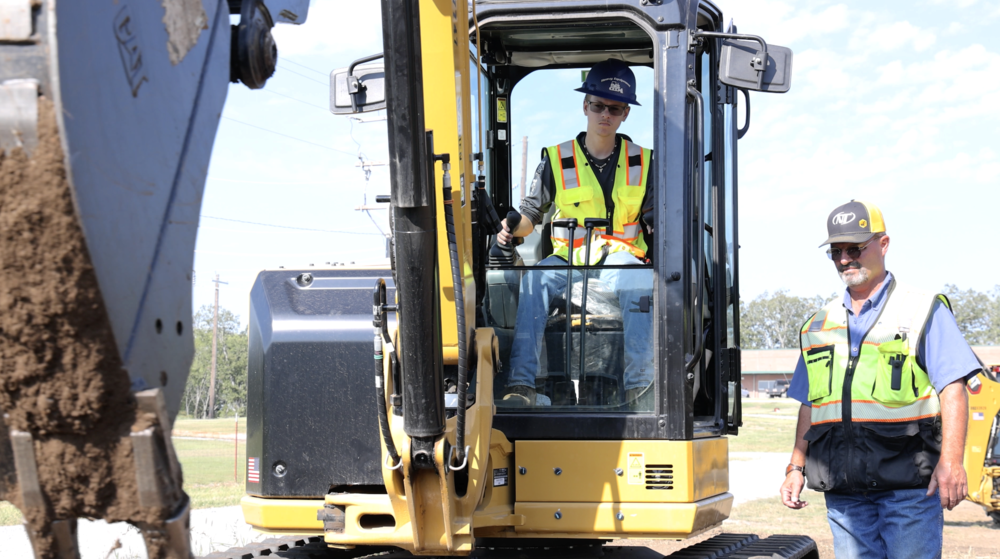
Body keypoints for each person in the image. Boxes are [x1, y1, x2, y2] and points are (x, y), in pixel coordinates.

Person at [779, 200, 981, 559]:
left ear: (883, 244)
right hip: (843, 494)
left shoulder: (921, 309)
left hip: (909, 490)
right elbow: (811, 403)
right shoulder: (818, 325)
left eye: (855, 248)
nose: (844, 259)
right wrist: (796, 466)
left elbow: (953, 387)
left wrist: (951, 460)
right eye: (836, 252)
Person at [496, 59, 655, 409]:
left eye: (614, 108)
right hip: (567, 260)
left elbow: (657, 221)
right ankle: (521, 385)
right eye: (598, 105)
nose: (605, 114)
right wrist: (511, 228)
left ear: (626, 113)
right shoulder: (557, 158)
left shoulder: (644, 162)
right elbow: (530, 216)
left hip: (620, 258)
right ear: (585, 106)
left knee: (641, 283)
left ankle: (639, 390)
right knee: (534, 280)